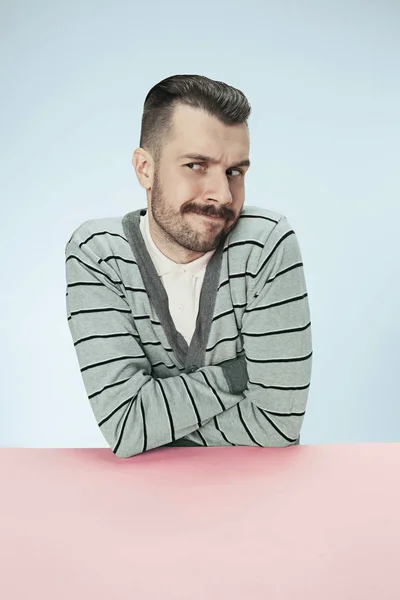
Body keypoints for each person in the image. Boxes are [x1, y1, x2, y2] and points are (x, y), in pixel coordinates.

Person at [65, 74, 313, 458]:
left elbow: (278, 425)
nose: (223, 194)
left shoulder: (265, 243)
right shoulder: (100, 254)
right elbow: (127, 425)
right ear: (144, 168)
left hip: (258, 497)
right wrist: (238, 372)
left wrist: (155, 423)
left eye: (235, 171)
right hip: (142, 502)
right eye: (197, 165)